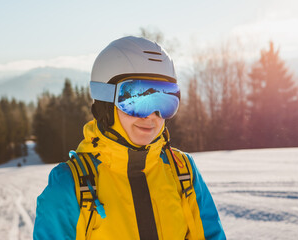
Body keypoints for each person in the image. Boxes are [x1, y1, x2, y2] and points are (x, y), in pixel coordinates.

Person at [33, 36, 226, 240]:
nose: (152, 115)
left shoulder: (182, 171)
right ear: (105, 105)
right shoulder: (69, 186)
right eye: (137, 99)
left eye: (165, 100)